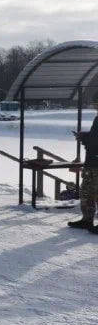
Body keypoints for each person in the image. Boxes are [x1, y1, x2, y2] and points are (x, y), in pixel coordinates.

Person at [69, 93, 98, 232]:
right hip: (91, 162)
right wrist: (85, 136)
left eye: (96, 103)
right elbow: (95, 137)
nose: (95, 106)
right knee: (86, 191)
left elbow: (95, 141)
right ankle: (87, 219)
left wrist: (86, 140)